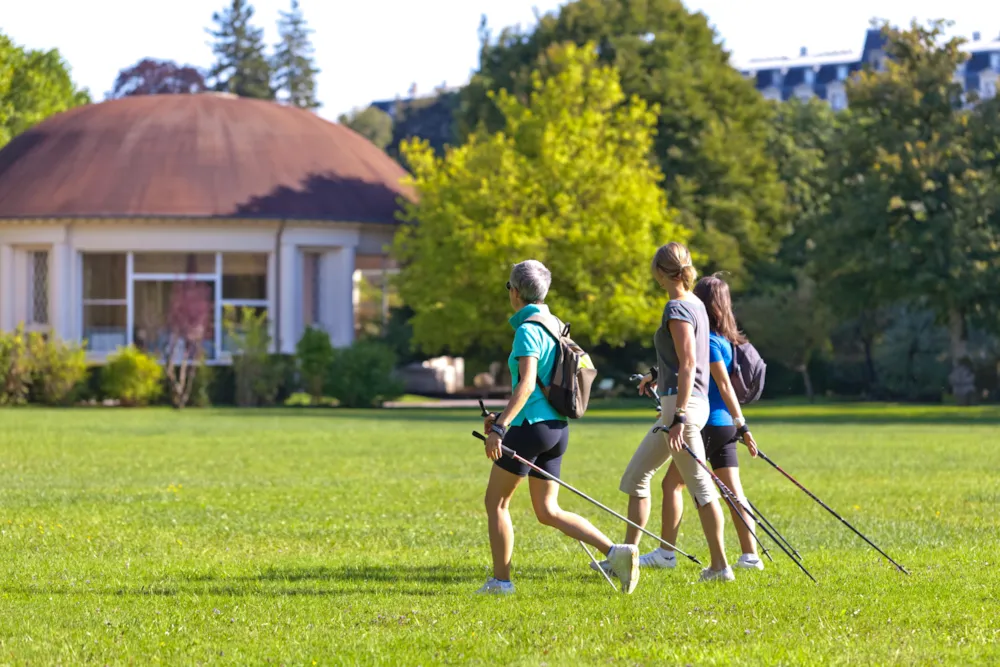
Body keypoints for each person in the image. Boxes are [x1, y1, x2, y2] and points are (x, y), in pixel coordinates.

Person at [478, 260, 640, 595]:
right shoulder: (554, 325)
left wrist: (500, 427)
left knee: (497, 503)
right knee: (547, 510)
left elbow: (525, 386)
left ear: (516, 291)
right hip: (556, 429)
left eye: (508, 287)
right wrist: (503, 417)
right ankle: (616, 552)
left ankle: (501, 582)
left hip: (529, 428)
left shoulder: (527, 330)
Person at [595, 242, 734, 582]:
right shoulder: (697, 304)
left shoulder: (676, 308)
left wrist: (679, 417)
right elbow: (688, 359)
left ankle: (720, 567)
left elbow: (688, 363)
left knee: (700, 488)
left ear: (659, 272)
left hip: (682, 409)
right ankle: (625, 559)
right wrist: (655, 375)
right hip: (688, 403)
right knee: (637, 478)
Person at [637, 274, 761, 572]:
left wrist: (741, 424)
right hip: (723, 426)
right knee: (731, 491)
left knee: (676, 486)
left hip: (707, 425)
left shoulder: (710, 341)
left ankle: (667, 553)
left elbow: (712, 378)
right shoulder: (726, 341)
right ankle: (750, 556)